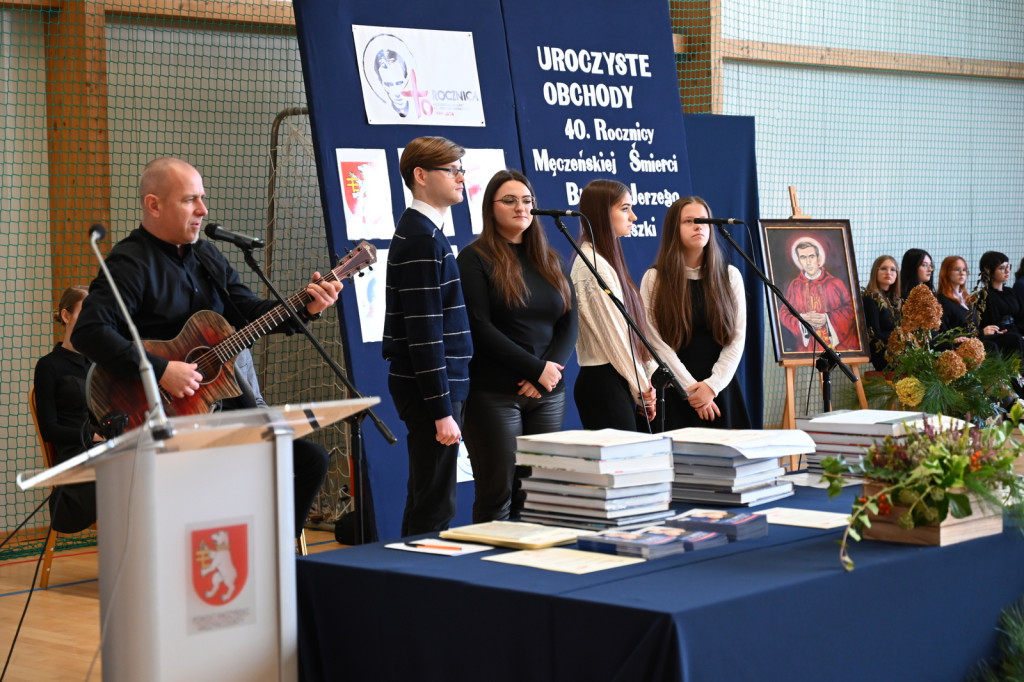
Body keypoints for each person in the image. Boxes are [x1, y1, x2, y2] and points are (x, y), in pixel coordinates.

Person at [71, 157, 338, 538]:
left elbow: (248, 312)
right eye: (189, 200)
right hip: (160, 414)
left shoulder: (207, 256)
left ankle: (273, 557)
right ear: (154, 205)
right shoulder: (130, 263)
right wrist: (161, 369)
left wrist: (306, 307)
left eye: (203, 198)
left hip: (225, 405)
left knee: (309, 459)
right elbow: (89, 330)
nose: (203, 210)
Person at [457, 170, 577, 522]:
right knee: (498, 494)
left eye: (526, 201)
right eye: (509, 200)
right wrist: (534, 369)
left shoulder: (550, 258)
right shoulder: (475, 258)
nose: (520, 207)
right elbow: (479, 326)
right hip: (494, 394)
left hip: (547, 394)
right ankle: (490, 572)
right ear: (490, 208)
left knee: (539, 492)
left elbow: (569, 322)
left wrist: (546, 371)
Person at [382, 136, 473, 535]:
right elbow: (424, 333)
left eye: (461, 169)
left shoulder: (426, 231)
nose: (461, 178)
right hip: (432, 392)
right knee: (435, 501)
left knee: (430, 493)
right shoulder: (420, 238)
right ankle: (420, 580)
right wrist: (441, 411)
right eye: (451, 170)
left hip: (439, 387)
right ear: (420, 176)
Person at [640, 196, 749, 429]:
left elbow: (736, 340)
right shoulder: (654, 278)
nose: (698, 226)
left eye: (703, 221)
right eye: (689, 221)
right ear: (673, 229)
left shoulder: (730, 276)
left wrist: (711, 387)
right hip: (674, 391)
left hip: (721, 390)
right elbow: (654, 341)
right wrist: (690, 390)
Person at [572, 179, 657, 431]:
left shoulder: (604, 260)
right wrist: (641, 387)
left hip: (619, 379)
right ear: (601, 213)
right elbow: (616, 339)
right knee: (620, 467)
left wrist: (646, 377)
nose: (633, 216)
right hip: (604, 384)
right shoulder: (591, 266)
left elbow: (631, 333)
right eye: (624, 208)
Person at [33, 286, 100, 534]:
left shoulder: (99, 363)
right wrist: (92, 437)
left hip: (105, 452)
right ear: (66, 315)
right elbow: (49, 429)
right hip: (75, 461)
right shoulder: (48, 366)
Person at [777, 237, 857, 352]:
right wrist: (802, 319)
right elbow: (784, 313)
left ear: (819, 259)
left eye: (811, 256)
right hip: (808, 346)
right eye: (803, 257)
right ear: (799, 261)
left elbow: (851, 308)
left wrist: (827, 318)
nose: (808, 262)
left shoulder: (835, 283)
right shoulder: (795, 286)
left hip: (837, 344)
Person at [976, 250, 1024, 361]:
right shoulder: (984, 296)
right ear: (988, 270)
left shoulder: (1011, 292)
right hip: (1000, 334)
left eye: (1008, 267)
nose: (1007, 271)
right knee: (1015, 338)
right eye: (1002, 268)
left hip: (1016, 330)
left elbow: (1021, 316)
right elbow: (985, 323)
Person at [861, 255, 902, 371]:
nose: (888, 272)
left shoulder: (895, 300)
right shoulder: (869, 298)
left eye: (893, 269)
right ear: (875, 272)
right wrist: (901, 337)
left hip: (897, 351)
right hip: (882, 355)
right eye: (884, 268)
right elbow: (875, 334)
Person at [936, 256, 978, 337]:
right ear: (946, 273)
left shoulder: (967, 299)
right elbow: (944, 331)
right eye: (957, 269)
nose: (962, 273)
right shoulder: (941, 300)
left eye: (964, 270)